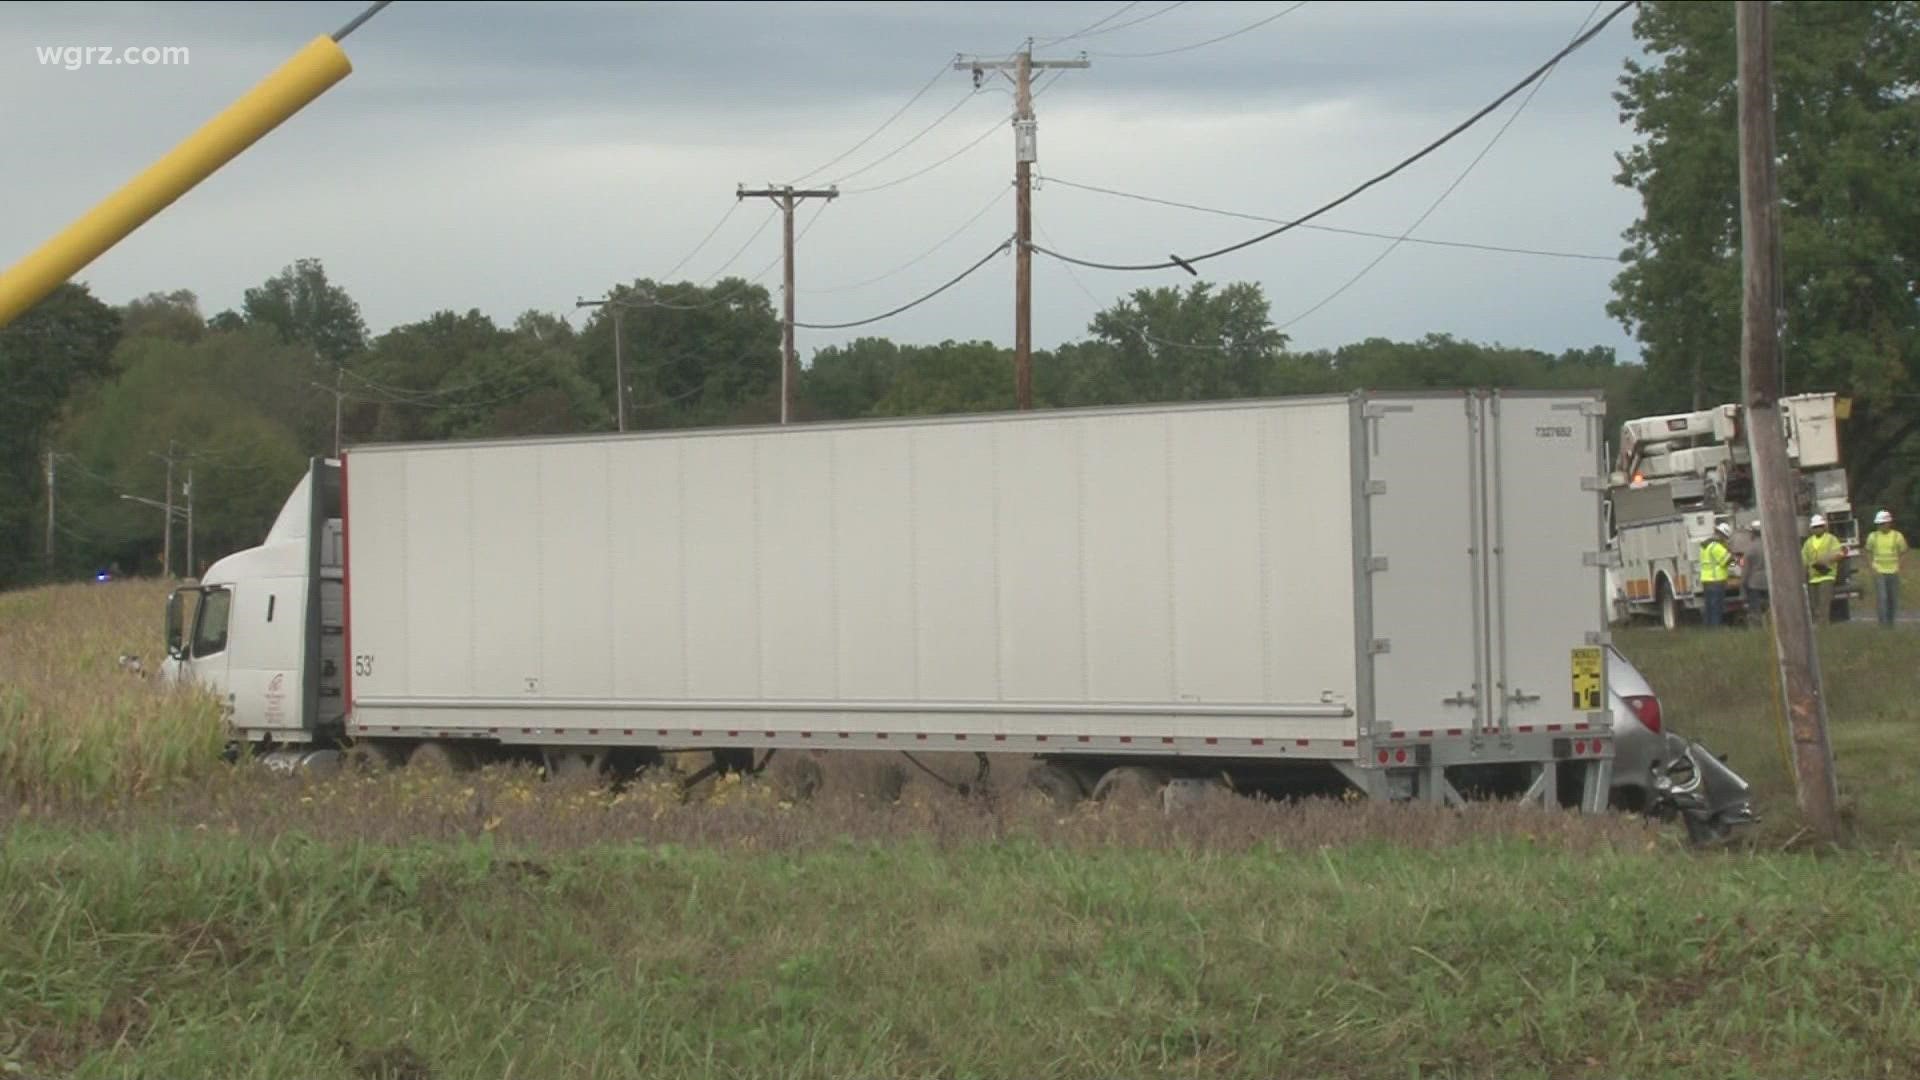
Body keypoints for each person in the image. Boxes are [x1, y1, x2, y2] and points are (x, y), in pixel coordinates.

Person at [1864, 509, 1909, 628]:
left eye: (1883, 524)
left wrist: (1900, 565)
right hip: (1879, 571)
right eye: (1879, 524)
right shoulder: (1873, 536)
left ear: (1889, 523)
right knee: (1882, 598)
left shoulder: (1897, 536)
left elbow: (1904, 551)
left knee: (1892, 599)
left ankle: (1891, 623)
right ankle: (1883, 625)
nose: (1881, 526)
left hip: (1893, 571)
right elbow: (1868, 551)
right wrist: (1871, 566)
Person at [1802, 514, 1843, 626]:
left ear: (1824, 527)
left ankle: (1824, 628)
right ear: (1811, 529)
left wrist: (1825, 560)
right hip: (1813, 578)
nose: (1817, 529)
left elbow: (1839, 554)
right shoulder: (1808, 543)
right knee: (1815, 607)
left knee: (1824, 606)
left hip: (1827, 576)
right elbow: (1804, 561)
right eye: (1815, 527)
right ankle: (1818, 628)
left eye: (1820, 526)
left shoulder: (1831, 539)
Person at [1700, 522, 1733, 627]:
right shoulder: (1716, 547)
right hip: (1716, 581)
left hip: (1706, 580)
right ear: (1722, 535)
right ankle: (1715, 629)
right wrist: (1733, 556)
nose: (1725, 540)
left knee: (1709, 607)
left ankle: (1708, 628)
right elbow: (1727, 561)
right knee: (1716, 608)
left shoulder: (1705, 545)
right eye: (1725, 537)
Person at [1741, 523, 1769, 622]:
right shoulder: (1769, 546)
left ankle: (1757, 629)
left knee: (1755, 611)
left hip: (1754, 584)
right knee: (1769, 609)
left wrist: (1743, 583)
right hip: (1768, 582)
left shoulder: (1750, 549)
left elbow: (1746, 569)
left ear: (1753, 533)